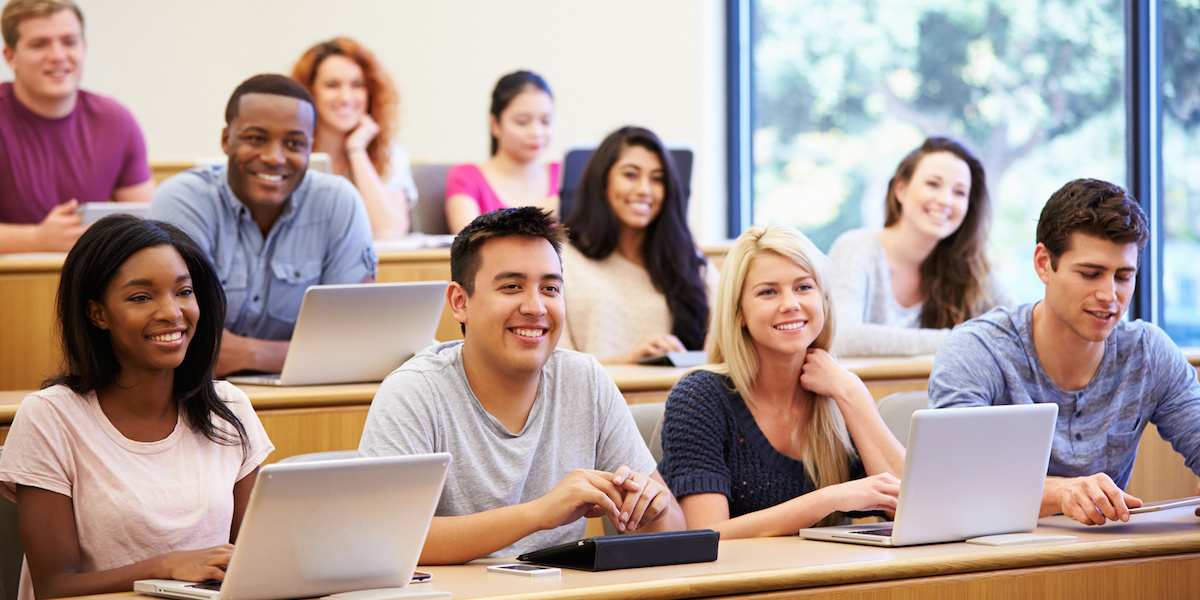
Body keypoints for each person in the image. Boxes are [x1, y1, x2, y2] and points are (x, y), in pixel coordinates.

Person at [358, 207, 685, 564]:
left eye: (550, 288)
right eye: (512, 286)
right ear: (460, 302)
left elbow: (676, 534)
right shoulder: (414, 392)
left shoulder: (585, 380)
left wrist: (655, 508)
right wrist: (540, 513)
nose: (535, 306)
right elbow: (387, 539)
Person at [0, 215, 273, 600]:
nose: (172, 312)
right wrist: (165, 567)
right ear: (97, 313)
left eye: (184, 291)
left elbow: (256, 560)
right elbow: (54, 585)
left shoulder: (229, 408)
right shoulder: (49, 417)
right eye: (141, 297)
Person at [928, 178, 1200, 526]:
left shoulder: (1148, 352)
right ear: (1043, 263)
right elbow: (950, 481)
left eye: (1123, 277)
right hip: (992, 564)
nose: (1109, 295)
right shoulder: (978, 350)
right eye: (1090, 274)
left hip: (1098, 563)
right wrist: (1060, 492)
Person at [658, 223, 904, 538]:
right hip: (735, 584)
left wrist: (853, 394)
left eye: (804, 287)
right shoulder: (699, 397)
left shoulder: (839, 393)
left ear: (824, 302)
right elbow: (706, 534)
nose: (790, 304)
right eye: (768, 292)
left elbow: (916, 506)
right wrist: (829, 499)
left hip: (825, 582)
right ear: (739, 313)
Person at [150, 74, 377, 377]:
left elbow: (354, 341)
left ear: (311, 147)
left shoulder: (339, 202)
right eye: (256, 138)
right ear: (226, 139)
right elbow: (184, 340)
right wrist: (306, 353)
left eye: (294, 143)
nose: (275, 157)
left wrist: (246, 353)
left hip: (308, 396)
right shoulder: (183, 199)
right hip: (196, 396)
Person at [827, 137, 1011, 356]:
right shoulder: (856, 248)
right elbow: (841, 337)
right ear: (900, 189)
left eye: (960, 192)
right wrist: (962, 339)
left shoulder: (970, 266)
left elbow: (1016, 329)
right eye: (933, 184)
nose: (945, 200)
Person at [0, 0, 154, 254]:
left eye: (69, 42)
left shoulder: (115, 121)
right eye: (40, 44)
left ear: (84, 48)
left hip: (91, 286)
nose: (58, 56)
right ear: (10, 57)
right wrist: (35, 240)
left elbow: (153, 225)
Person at [559, 126, 716, 363]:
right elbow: (553, 367)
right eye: (630, 175)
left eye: (657, 179)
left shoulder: (689, 262)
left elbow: (731, 331)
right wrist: (629, 361)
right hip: (594, 398)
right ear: (603, 181)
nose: (644, 190)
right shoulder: (560, 259)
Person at [291, 37, 417, 239]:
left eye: (357, 85)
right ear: (309, 91)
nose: (346, 97)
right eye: (332, 85)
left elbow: (389, 231)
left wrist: (357, 150)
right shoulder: (290, 152)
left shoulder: (390, 153)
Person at [443, 70, 560, 234]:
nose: (536, 132)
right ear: (495, 124)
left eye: (546, 121)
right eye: (522, 122)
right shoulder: (466, 176)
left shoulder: (565, 173)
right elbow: (468, 245)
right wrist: (543, 212)